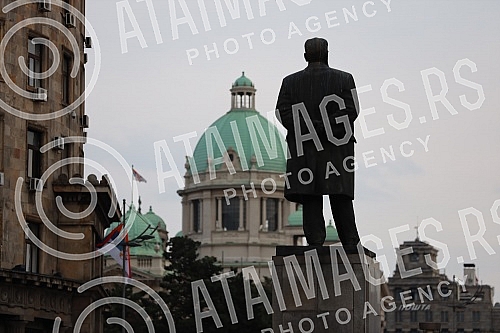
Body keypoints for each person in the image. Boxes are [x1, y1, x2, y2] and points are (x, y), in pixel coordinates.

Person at [276, 37, 361, 251]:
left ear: (305, 56)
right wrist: (325, 127)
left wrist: (310, 128)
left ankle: (314, 241)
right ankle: (350, 240)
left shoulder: (290, 81)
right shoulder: (344, 78)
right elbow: (351, 111)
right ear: (327, 54)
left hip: (304, 146)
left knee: (310, 195)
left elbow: (283, 112)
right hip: (336, 146)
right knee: (340, 195)